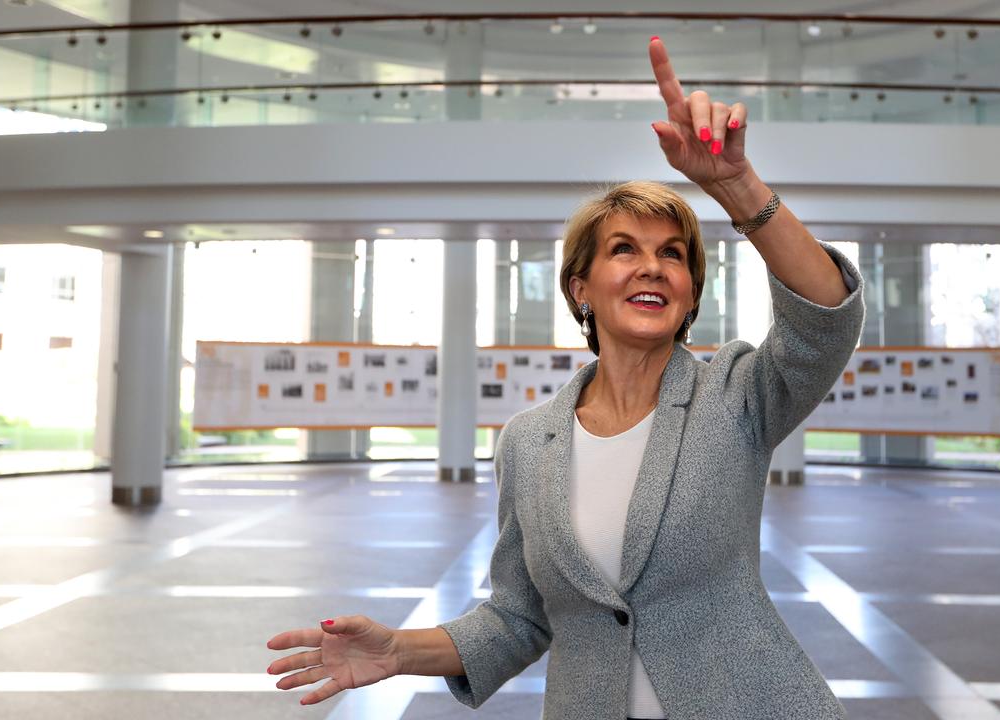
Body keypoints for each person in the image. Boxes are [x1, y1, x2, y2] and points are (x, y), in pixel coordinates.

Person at [266, 36, 864, 719]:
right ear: (581, 289)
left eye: (673, 255)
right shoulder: (528, 442)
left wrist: (734, 184)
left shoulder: (736, 395)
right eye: (623, 250)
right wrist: (400, 651)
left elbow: (824, 317)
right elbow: (519, 618)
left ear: (690, 295)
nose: (652, 267)